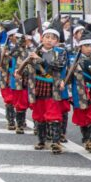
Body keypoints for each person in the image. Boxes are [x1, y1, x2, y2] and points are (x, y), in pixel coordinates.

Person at [22, 20, 68, 153]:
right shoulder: (34, 51)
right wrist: (20, 72)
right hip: (37, 86)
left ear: (57, 41)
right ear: (42, 38)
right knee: (39, 114)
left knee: (53, 114)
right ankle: (41, 141)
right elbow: (28, 68)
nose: (49, 40)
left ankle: (55, 142)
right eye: (47, 37)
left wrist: (40, 60)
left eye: (53, 38)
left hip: (53, 85)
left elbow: (58, 65)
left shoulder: (61, 52)